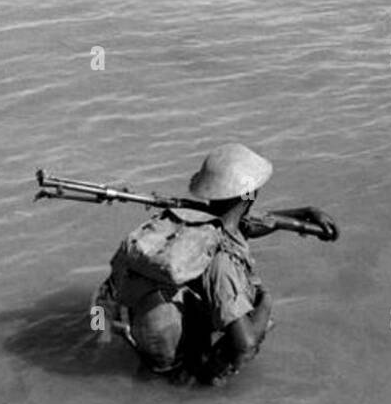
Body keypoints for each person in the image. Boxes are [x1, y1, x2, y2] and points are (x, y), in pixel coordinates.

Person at [96, 144, 336, 386]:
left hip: (119, 320)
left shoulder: (180, 221)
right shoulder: (222, 260)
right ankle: (194, 383)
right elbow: (246, 345)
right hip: (166, 349)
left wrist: (304, 215)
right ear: (248, 196)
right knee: (254, 322)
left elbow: (255, 220)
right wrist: (267, 303)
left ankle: (119, 347)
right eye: (253, 191)